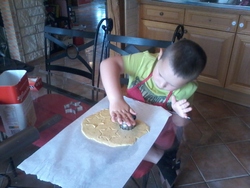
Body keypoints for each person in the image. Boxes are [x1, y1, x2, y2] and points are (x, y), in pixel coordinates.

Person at [100, 39, 207, 186]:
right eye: (161, 75)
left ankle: (165, 157)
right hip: (130, 117)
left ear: (190, 81)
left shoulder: (187, 89)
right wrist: (116, 99)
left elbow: (180, 123)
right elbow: (108, 64)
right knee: (110, 136)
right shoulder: (144, 62)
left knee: (138, 145)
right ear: (159, 55)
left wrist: (179, 114)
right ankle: (159, 158)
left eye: (172, 85)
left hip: (159, 131)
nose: (162, 84)